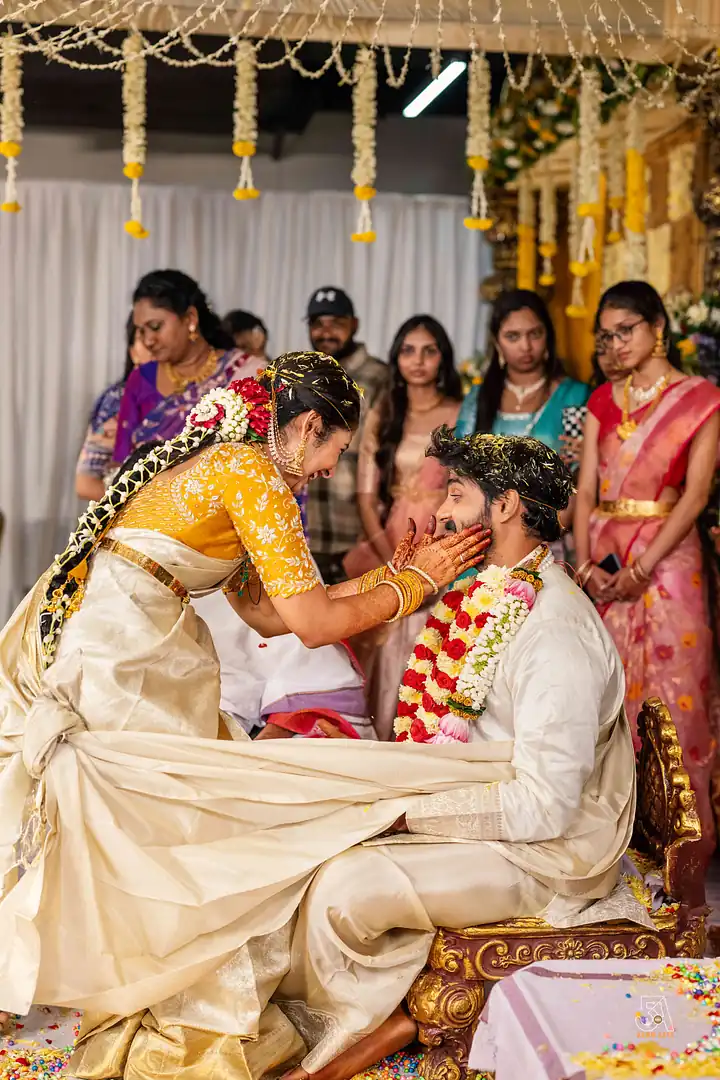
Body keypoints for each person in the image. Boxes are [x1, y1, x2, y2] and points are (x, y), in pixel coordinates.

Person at [0, 429, 637, 1080]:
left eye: (455, 495)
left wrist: (404, 814)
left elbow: (547, 807)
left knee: (342, 888)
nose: (441, 514)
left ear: (503, 508)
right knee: (304, 843)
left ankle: (336, 1047)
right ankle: (321, 1013)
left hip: (549, 854)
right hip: (482, 810)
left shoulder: (554, 631)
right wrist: (387, 795)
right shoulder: (490, 593)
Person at [0, 351, 490, 1043]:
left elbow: (266, 613)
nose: (330, 469)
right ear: (310, 426)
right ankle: (114, 972)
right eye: (337, 449)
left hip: (134, 630)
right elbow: (311, 625)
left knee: (153, 816)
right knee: (152, 816)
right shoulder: (255, 476)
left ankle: (118, 967)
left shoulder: (233, 463)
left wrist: (390, 576)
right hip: (125, 649)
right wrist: (418, 585)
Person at [574, 280, 720, 865]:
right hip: (604, 557)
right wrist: (584, 563)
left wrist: (643, 565)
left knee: (676, 689)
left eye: (625, 330)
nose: (616, 344)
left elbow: (697, 495)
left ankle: (681, 848)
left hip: (669, 558)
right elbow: (586, 490)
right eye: (606, 335)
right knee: (604, 695)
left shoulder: (701, 397)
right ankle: (612, 842)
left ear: (658, 326)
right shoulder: (602, 400)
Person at [344, 315, 463, 738]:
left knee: (431, 637)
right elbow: (364, 495)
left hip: (444, 534)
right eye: (409, 351)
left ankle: (425, 735)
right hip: (391, 539)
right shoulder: (386, 412)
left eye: (429, 351)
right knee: (386, 635)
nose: (418, 361)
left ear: (443, 358)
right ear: (396, 358)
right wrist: (389, 558)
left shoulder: (460, 412)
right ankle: (382, 736)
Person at [112, 269, 256, 466]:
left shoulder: (244, 374)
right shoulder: (141, 378)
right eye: (141, 331)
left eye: (155, 326)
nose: (148, 340)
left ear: (190, 319)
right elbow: (121, 462)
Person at [304, 286, 388, 585]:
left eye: (336, 323)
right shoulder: (300, 375)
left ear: (354, 325)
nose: (326, 332)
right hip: (305, 532)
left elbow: (388, 455)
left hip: (357, 532)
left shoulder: (380, 377)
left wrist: (376, 527)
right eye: (318, 324)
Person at [455, 288, 589, 450]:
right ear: (497, 343)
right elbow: (459, 458)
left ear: (548, 336)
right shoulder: (477, 398)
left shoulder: (574, 396)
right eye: (513, 336)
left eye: (535, 334)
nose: (525, 346)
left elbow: (578, 459)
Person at [75, 316, 153, 502]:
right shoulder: (117, 401)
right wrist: (144, 507)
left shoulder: (192, 398)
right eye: (144, 336)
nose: (154, 343)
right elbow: (85, 484)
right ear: (133, 352)